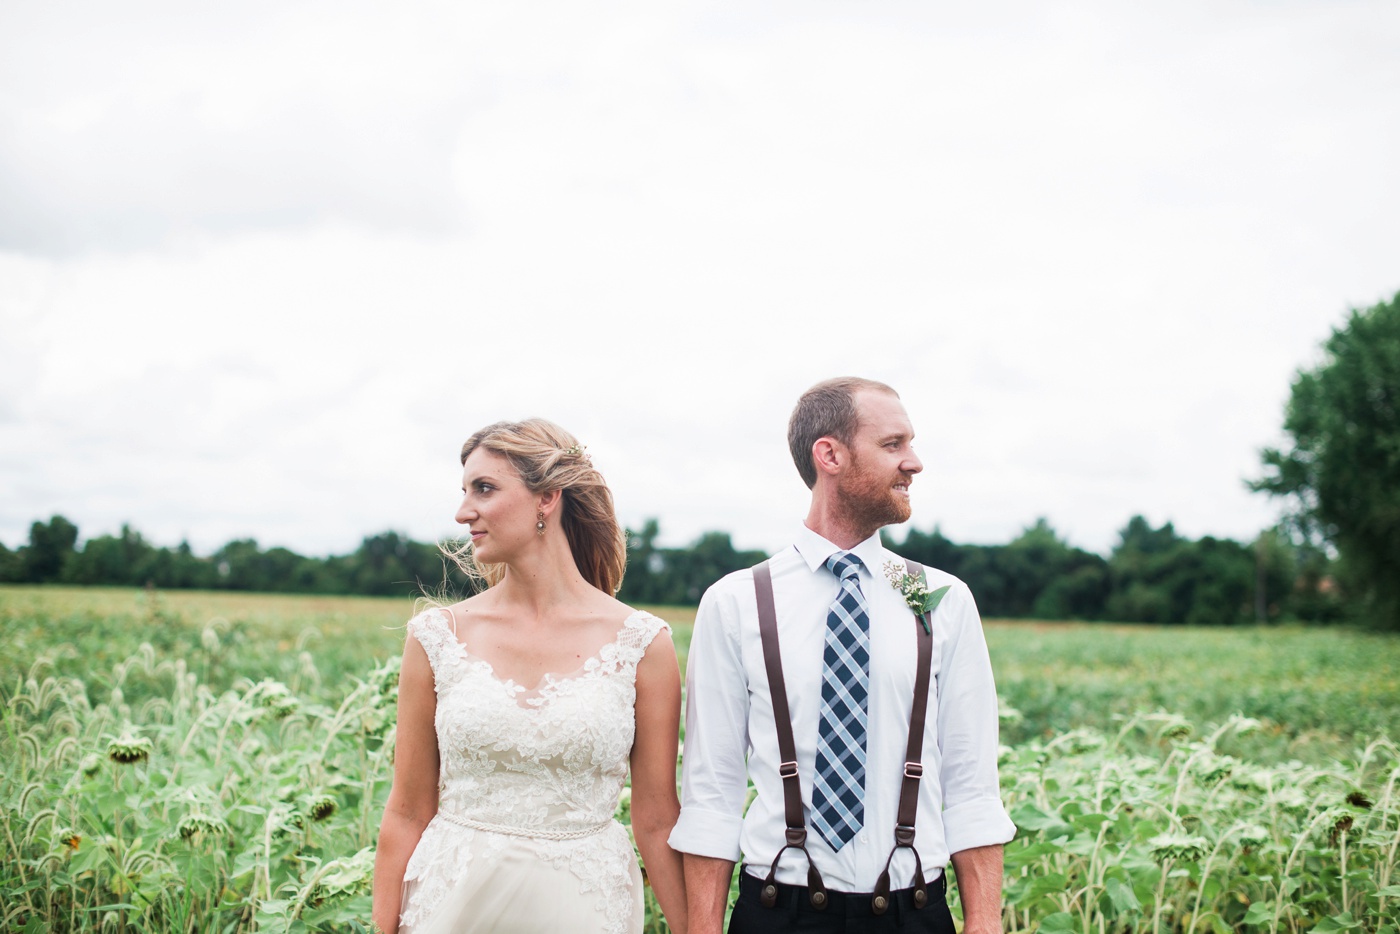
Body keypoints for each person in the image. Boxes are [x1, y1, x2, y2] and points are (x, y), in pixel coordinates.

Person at [670, 378, 1015, 934]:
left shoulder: (941, 598)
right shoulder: (735, 601)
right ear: (829, 455)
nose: (915, 463)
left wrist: (984, 923)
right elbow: (712, 792)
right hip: (778, 912)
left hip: (915, 914)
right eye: (893, 444)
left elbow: (973, 784)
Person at [371, 418, 688, 934]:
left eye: (485, 488)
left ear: (547, 499)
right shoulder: (435, 637)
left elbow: (656, 820)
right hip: (452, 904)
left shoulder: (642, 644)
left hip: (583, 906)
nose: (462, 511)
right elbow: (407, 811)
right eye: (465, 490)